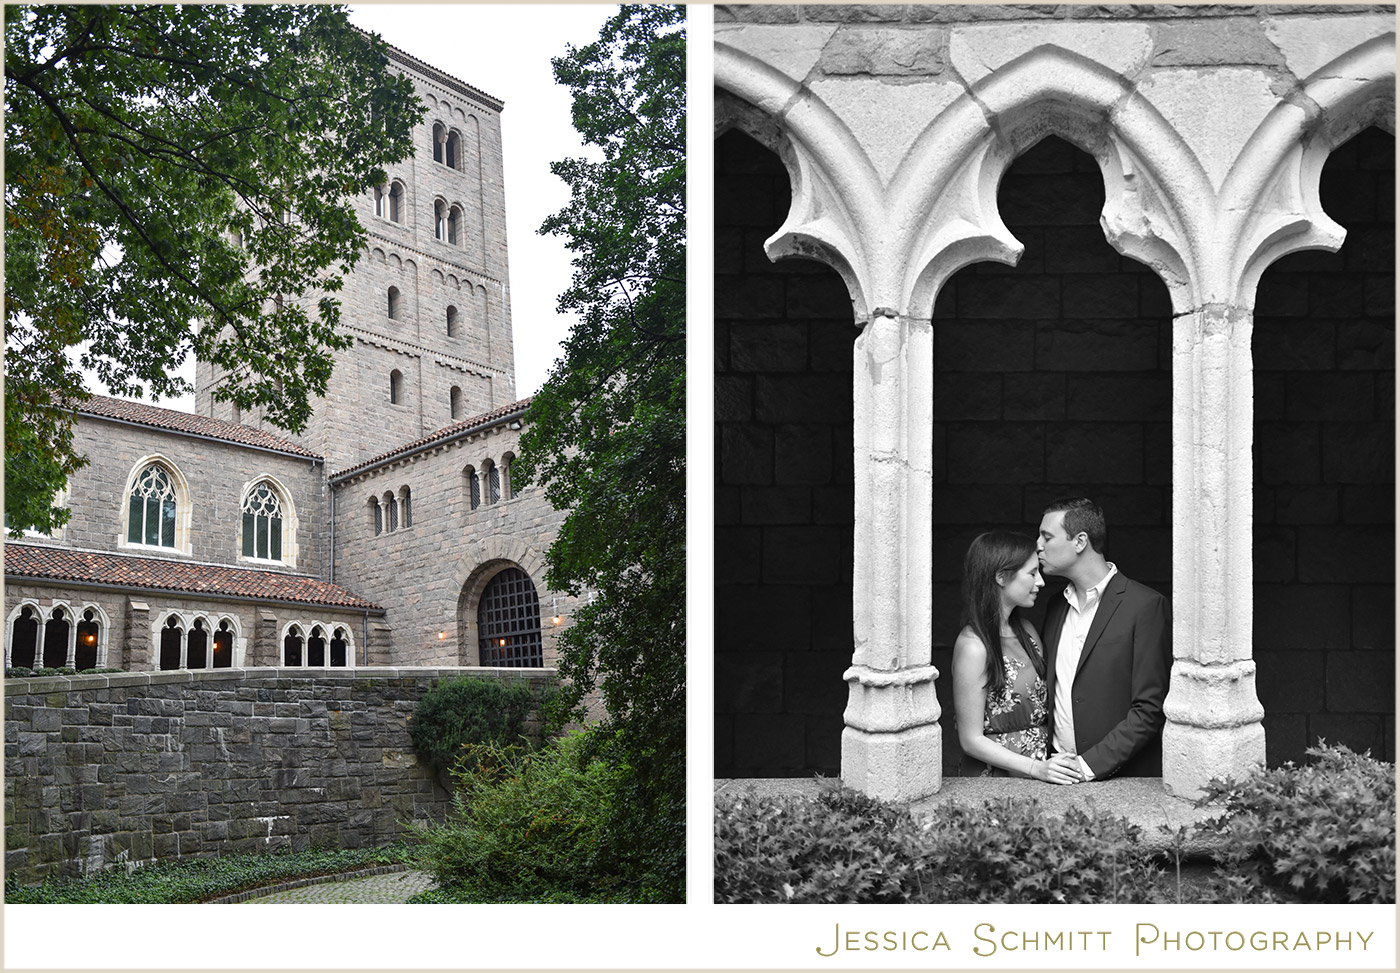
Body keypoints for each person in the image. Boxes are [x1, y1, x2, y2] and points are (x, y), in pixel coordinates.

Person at [1037, 497, 1171, 779]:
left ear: (1080, 541)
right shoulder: (1054, 607)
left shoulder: (1145, 606)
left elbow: (1150, 708)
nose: (1038, 545)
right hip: (1055, 773)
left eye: (1047, 537)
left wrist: (1087, 767)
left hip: (1121, 779)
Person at [952, 530, 1083, 783]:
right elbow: (970, 740)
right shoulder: (973, 647)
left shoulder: (1027, 631)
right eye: (1032, 573)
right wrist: (1035, 768)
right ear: (1001, 577)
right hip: (996, 777)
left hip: (1043, 769)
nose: (1041, 582)